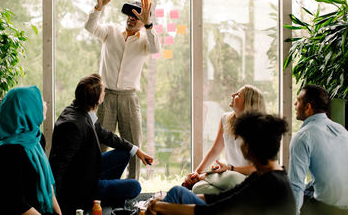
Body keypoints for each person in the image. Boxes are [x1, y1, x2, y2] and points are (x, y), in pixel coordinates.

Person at [146, 112, 296, 215]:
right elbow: (224, 197)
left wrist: (161, 206)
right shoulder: (267, 174)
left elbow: (213, 211)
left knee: (168, 203)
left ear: (248, 148)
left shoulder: (269, 182)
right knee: (177, 193)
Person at [85, 0, 161, 180]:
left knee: (135, 145)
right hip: (106, 96)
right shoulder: (110, 31)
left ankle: (130, 195)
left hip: (129, 98)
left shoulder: (145, 41)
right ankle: (96, 193)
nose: (131, 18)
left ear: (143, 20)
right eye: (130, 14)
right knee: (99, 144)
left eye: (137, 16)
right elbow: (90, 27)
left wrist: (149, 25)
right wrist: (99, 8)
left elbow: (156, 49)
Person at [49, 74, 154, 215]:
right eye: (103, 90)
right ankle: (97, 198)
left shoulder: (82, 109)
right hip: (82, 186)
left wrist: (137, 150)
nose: (105, 93)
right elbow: (59, 166)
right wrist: (56, 204)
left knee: (124, 153)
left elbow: (105, 134)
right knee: (135, 186)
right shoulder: (73, 126)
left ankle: (104, 196)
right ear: (98, 99)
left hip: (88, 169)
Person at [0, 86, 61, 215]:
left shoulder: (36, 137)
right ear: (27, 109)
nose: (45, 104)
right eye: (40, 100)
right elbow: (16, 204)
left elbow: (48, 185)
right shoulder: (7, 152)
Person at [183, 85, 266, 192]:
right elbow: (215, 150)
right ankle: (232, 199)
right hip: (228, 178)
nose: (233, 95)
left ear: (248, 104)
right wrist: (197, 171)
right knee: (197, 188)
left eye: (238, 95)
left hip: (249, 179)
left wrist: (230, 169)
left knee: (230, 177)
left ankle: (204, 177)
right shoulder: (225, 119)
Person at [289, 85, 348, 214]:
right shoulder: (341, 130)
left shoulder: (302, 137)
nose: (295, 104)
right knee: (308, 188)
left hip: (328, 210)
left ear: (308, 107)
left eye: (298, 100)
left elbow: (295, 186)